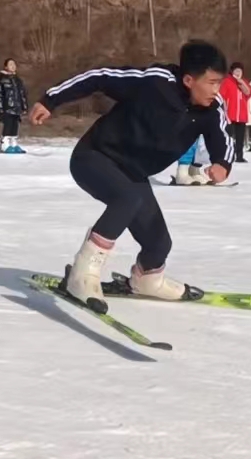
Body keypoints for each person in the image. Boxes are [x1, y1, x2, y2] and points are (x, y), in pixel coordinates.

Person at [30, 39, 234, 307]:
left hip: (133, 174)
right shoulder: (155, 82)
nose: (217, 91)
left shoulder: (211, 109)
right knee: (126, 199)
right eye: (211, 82)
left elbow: (224, 136)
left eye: (220, 83)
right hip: (94, 157)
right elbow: (99, 77)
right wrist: (50, 100)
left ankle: (147, 279)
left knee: (159, 243)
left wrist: (223, 163)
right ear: (188, 80)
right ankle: (82, 274)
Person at [0, 57, 28, 154]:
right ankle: (5, 144)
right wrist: (0, 110)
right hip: (7, 107)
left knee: (15, 126)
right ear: (5, 67)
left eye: (14, 64)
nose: (13, 66)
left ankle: (13, 144)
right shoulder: (2, 80)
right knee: (8, 126)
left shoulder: (18, 80)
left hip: (17, 108)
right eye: (10, 64)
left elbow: (22, 94)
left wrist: (24, 106)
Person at [219, 62, 251, 162]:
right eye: (236, 71)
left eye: (240, 71)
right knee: (228, 137)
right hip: (230, 114)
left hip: (241, 115)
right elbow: (222, 97)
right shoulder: (226, 81)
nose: (238, 73)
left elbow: (248, 93)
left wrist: (241, 82)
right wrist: (225, 112)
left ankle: (239, 155)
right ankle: (227, 155)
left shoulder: (244, 82)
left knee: (240, 138)